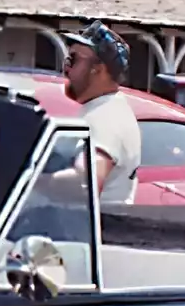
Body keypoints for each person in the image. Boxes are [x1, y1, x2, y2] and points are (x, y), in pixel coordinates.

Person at [59, 20, 141, 204]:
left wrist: (31, 180)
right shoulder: (104, 109)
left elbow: (83, 181)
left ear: (98, 69)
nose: (66, 68)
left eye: (74, 59)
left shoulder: (107, 116)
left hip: (93, 222)